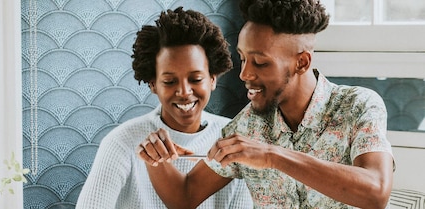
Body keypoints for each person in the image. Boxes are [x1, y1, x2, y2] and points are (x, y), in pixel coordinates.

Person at [136, 0, 395, 208]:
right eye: (243, 59)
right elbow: (185, 196)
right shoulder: (247, 127)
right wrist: (155, 158)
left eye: (260, 63)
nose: (245, 74)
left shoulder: (358, 105)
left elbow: (375, 192)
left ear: (302, 63)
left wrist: (272, 156)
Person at [75, 7, 253, 209]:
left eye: (195, 79)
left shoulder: (233, 140)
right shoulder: (121, 142)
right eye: (169, 81)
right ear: (153, 84)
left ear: (213, 79)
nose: (184, 92)